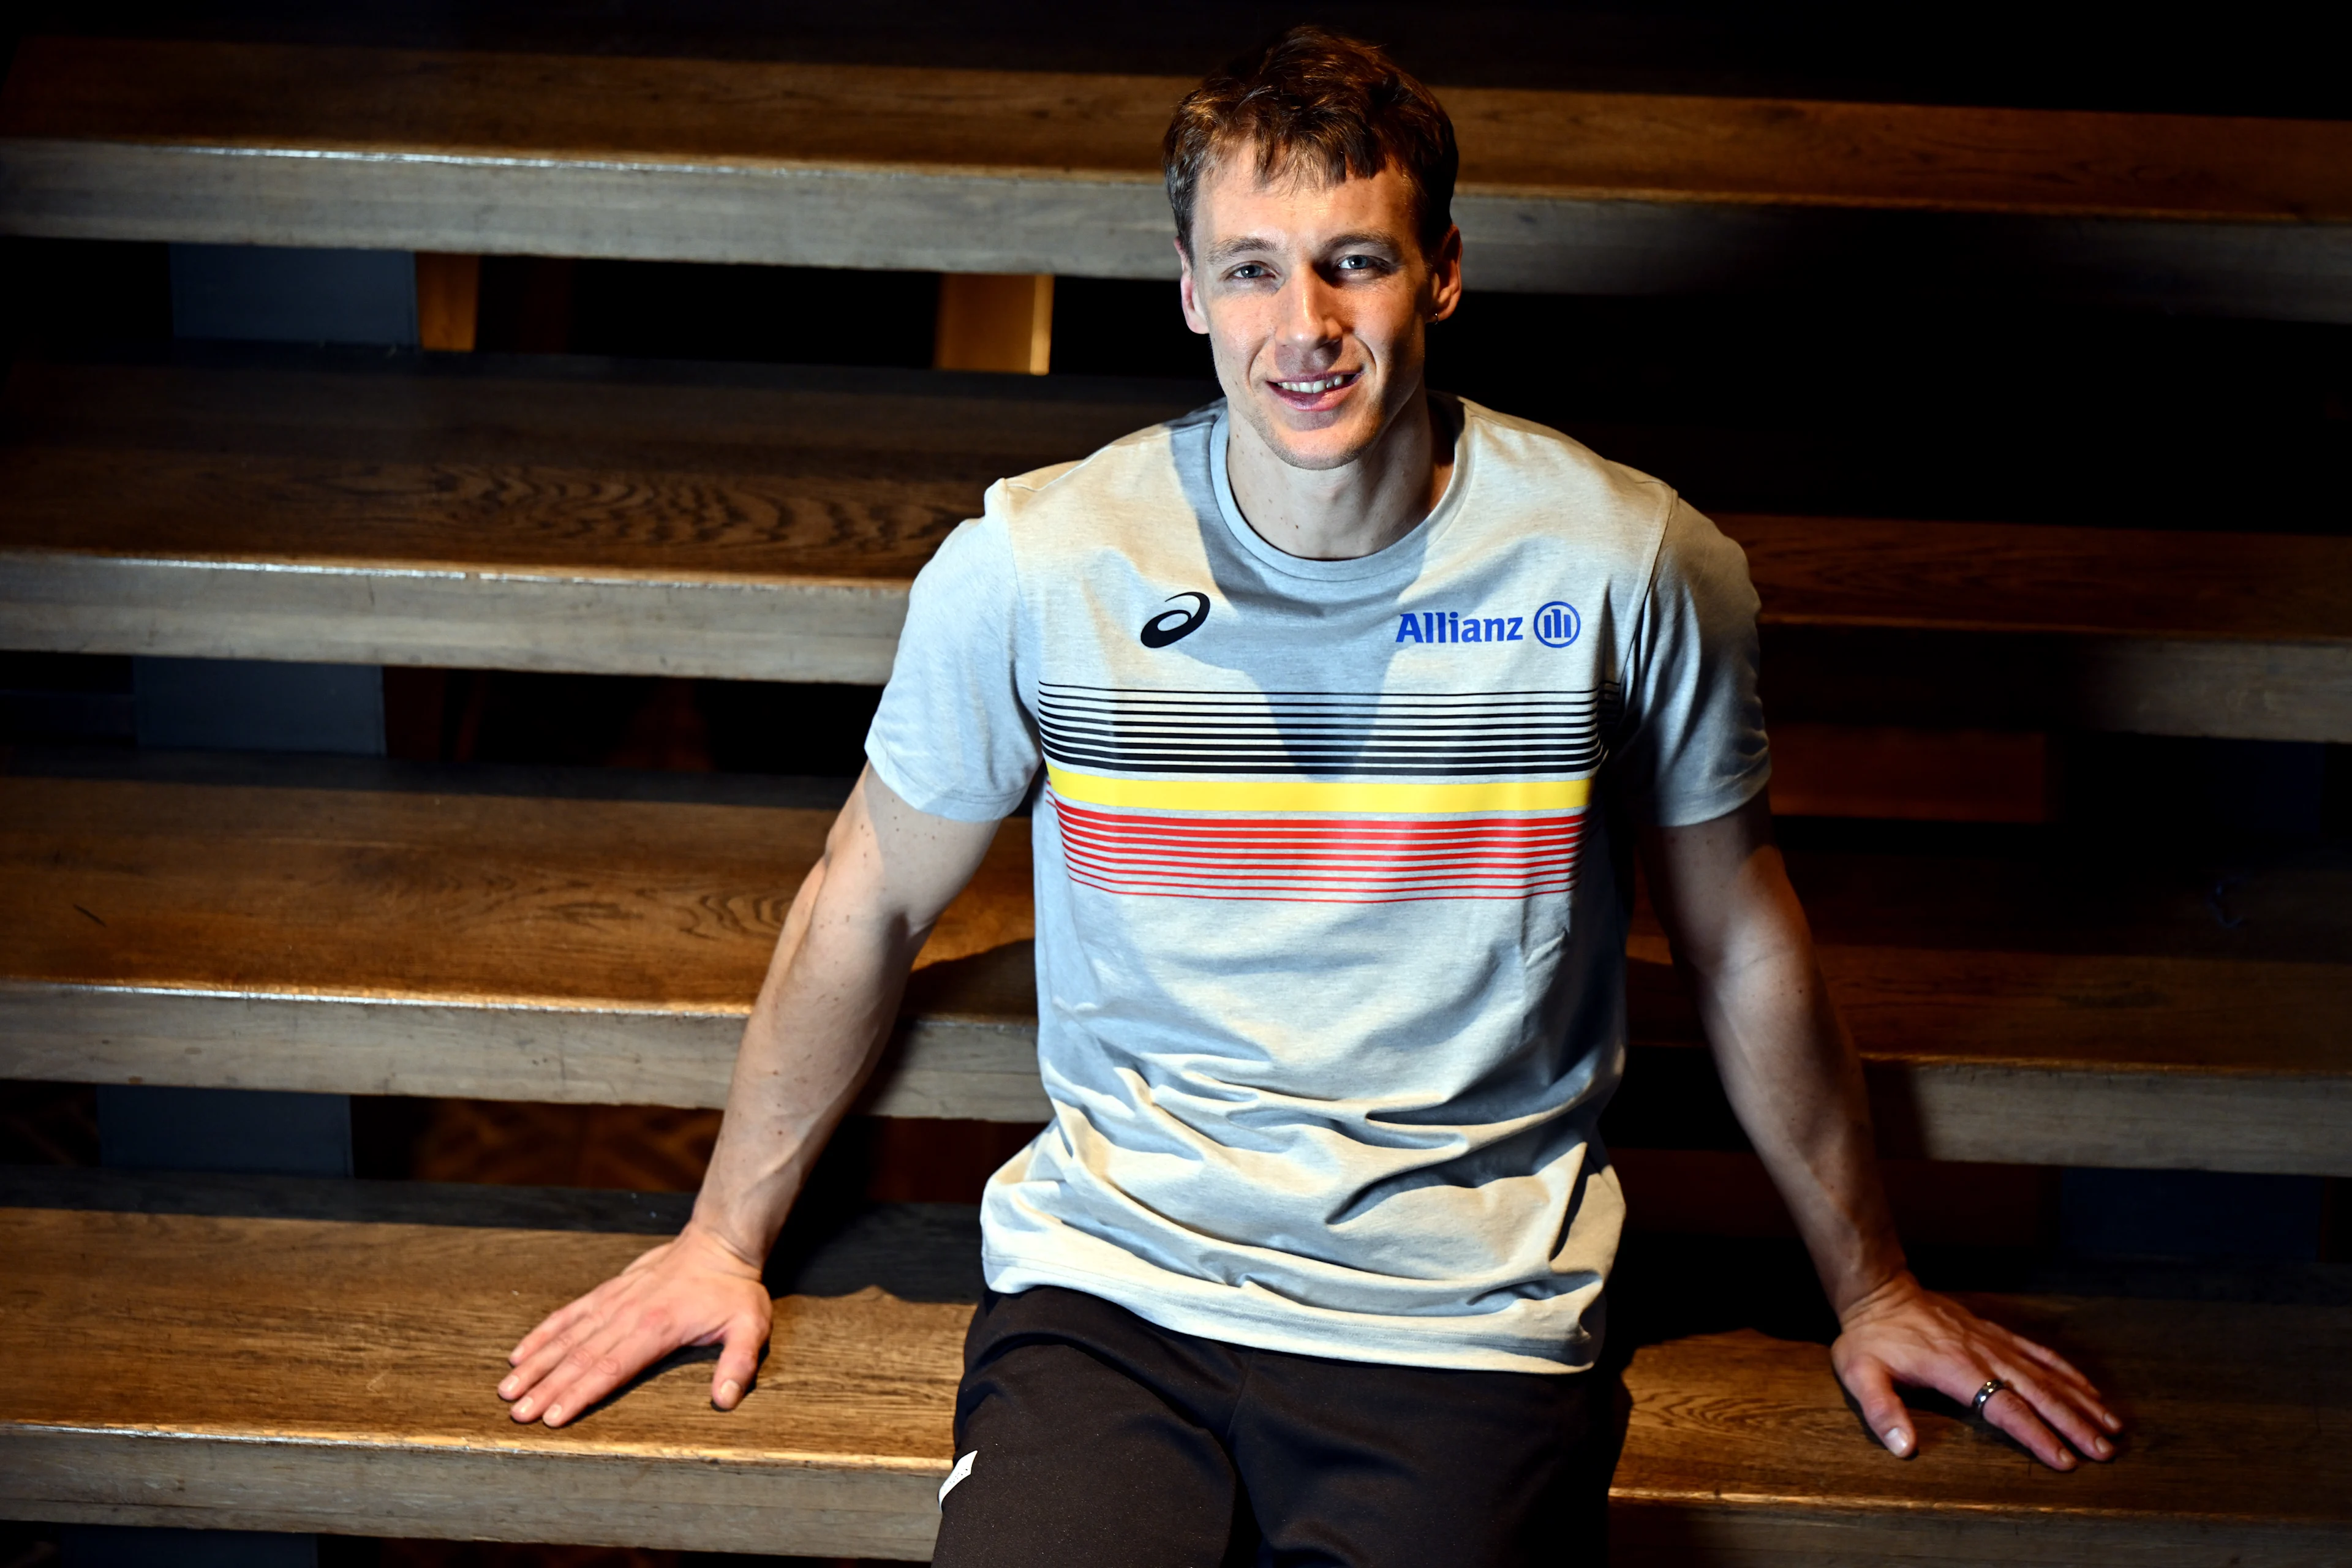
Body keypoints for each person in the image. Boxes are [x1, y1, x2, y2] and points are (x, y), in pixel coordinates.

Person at [497, 26, 2121, 1564]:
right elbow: (871, 891)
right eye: (1255, 269)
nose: (1306, 327)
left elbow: (1740, 934)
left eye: (1355, 259)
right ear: (1192, 290)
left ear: (1444, 272)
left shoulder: (1632, 562)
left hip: (1465, 1313)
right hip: (1116, 1294)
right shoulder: (1040, 566)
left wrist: (1874, 1283)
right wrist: (721, 1240)